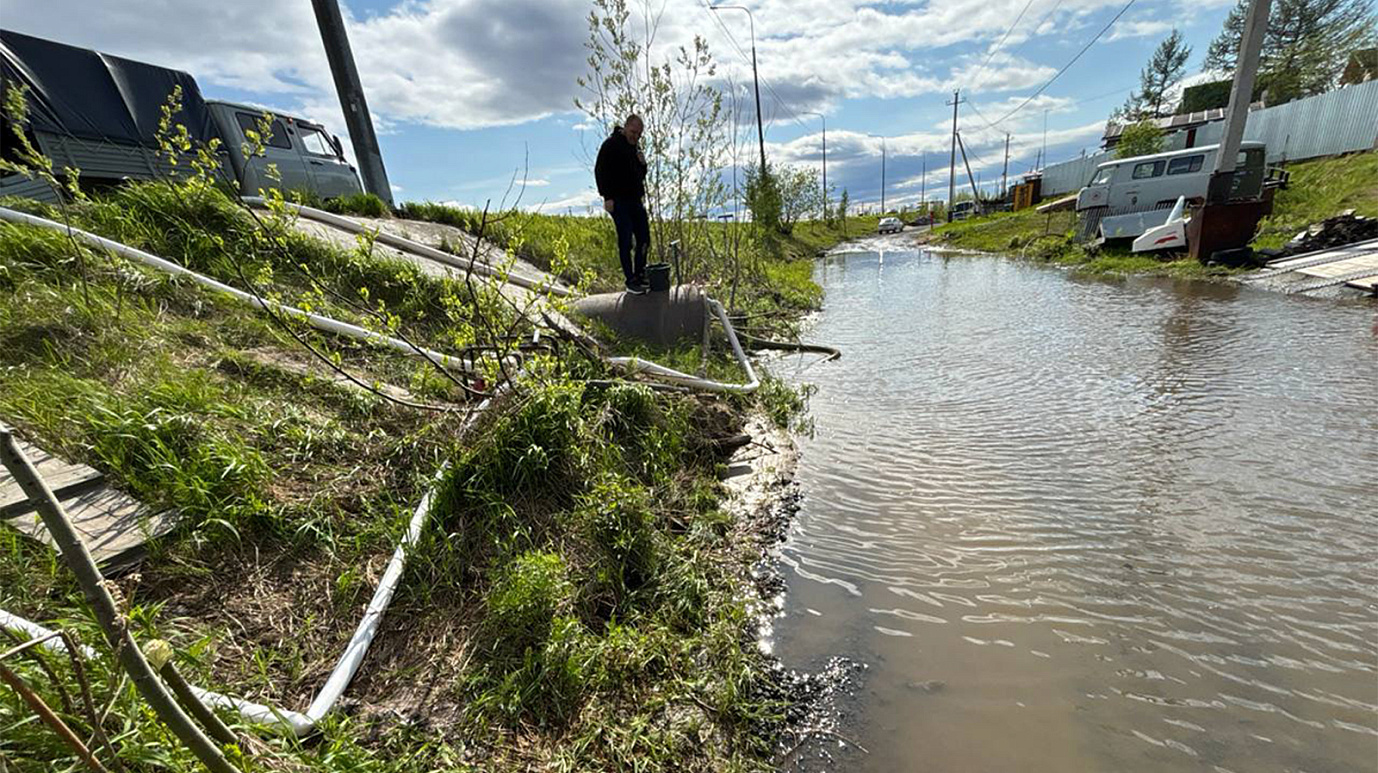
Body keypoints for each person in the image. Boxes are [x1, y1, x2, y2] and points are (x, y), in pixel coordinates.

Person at [595, 114, 650, 294]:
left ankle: (640, 274)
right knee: (626, 240)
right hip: (618, 201)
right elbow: (600, 170)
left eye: (639, 134)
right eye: (633, 132)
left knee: (644, 239)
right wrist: (607, 197)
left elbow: (639, 174)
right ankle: (630, 280)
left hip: (635, 200)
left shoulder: (635, 148)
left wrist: (643, 165)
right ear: (625, 127)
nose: (636, 136)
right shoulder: (611, 145)